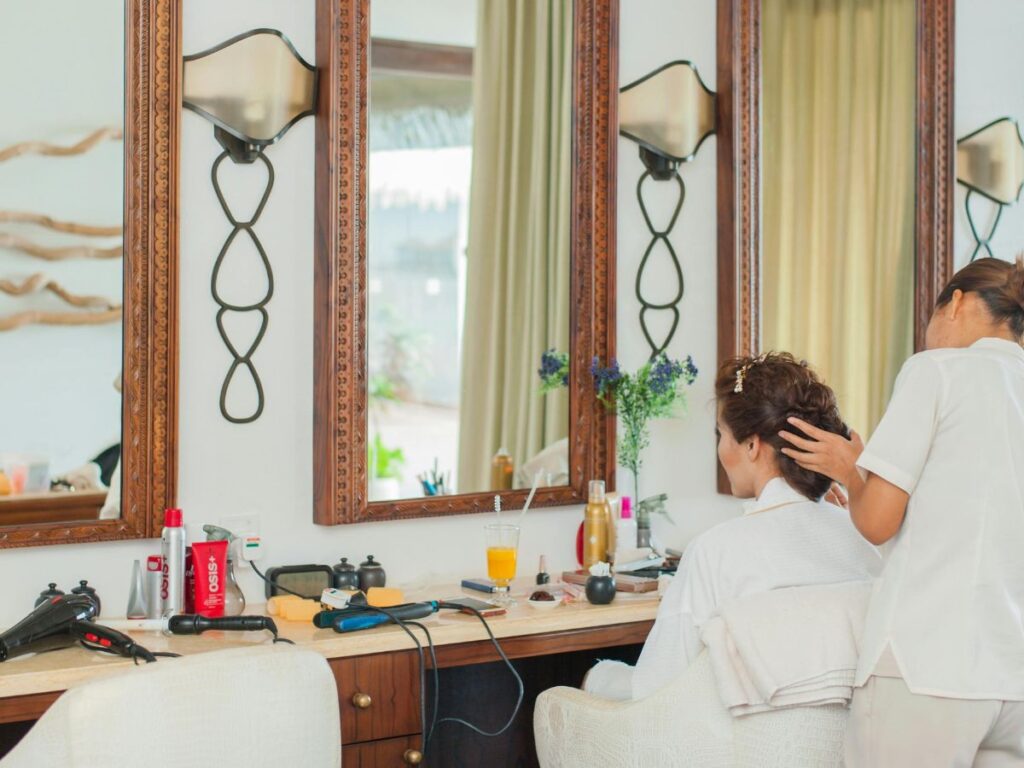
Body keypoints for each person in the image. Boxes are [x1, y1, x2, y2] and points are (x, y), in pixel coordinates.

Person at [780, 256, 1024, 766]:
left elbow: (876, 522)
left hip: (928, 665)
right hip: (1011, 677)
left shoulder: (935, 372)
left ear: (954, 302)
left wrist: (851, 467)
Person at [583, 352, 880, 701]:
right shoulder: (867, 541)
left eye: (721, 434)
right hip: (845, 750)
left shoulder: (715, 552)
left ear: (752, 445)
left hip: (734, 749)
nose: (720, 449)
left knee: (594, 676)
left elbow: (656, 689)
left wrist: (597, 677)